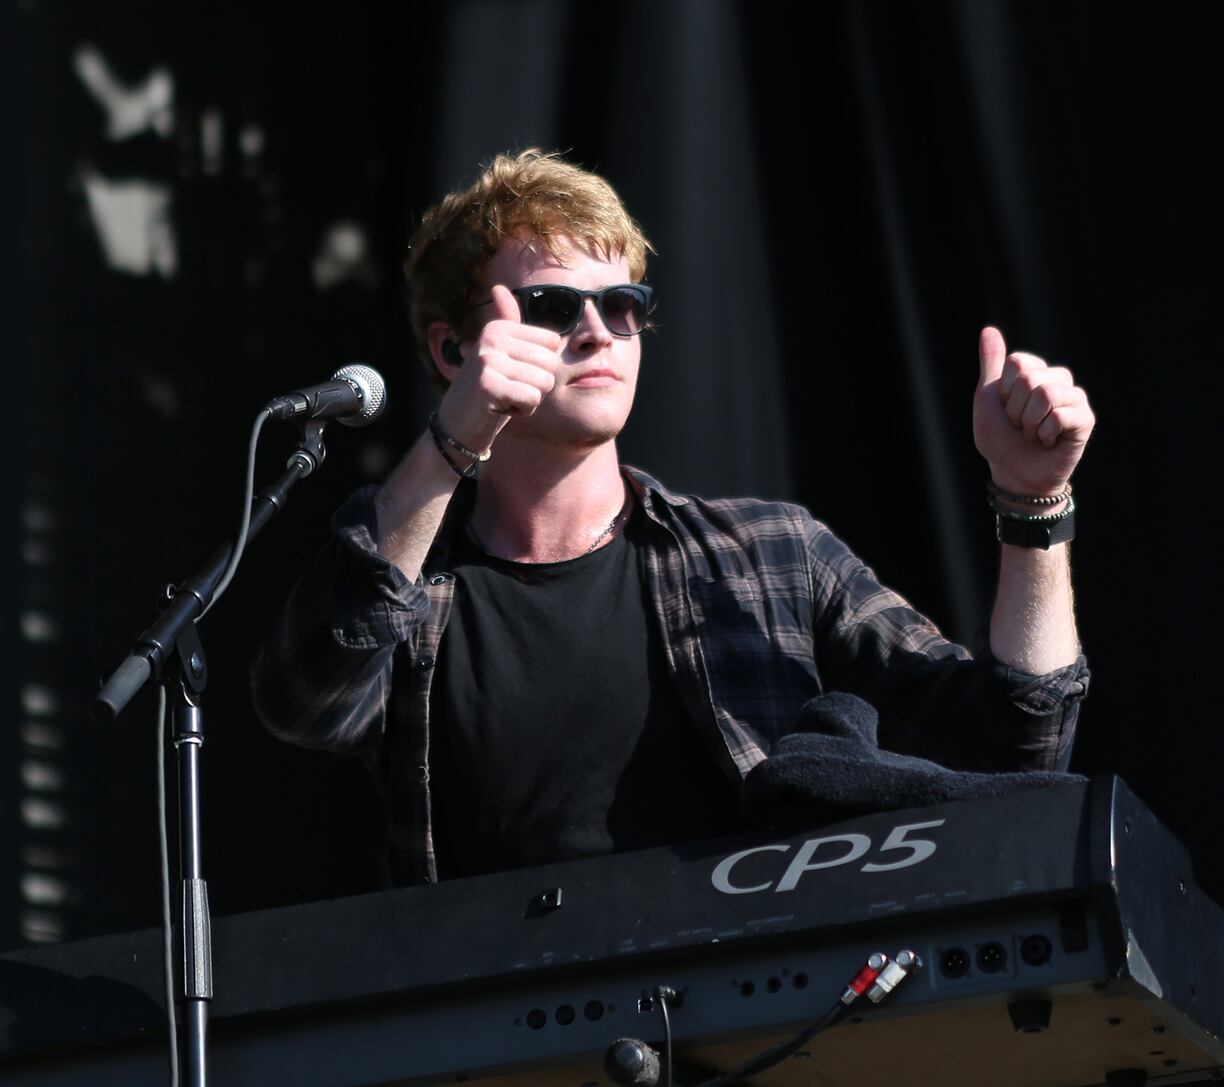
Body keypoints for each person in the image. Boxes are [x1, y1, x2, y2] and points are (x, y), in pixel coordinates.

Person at [251, 149, 1094, 886]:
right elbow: (304, 698)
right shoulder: (417, 586)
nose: (596, 331)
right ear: (451, 348)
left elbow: (1014, 746)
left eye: (621, 304)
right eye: (550, 305)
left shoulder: (771, 553)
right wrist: (449, 444)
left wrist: (1032, 505)